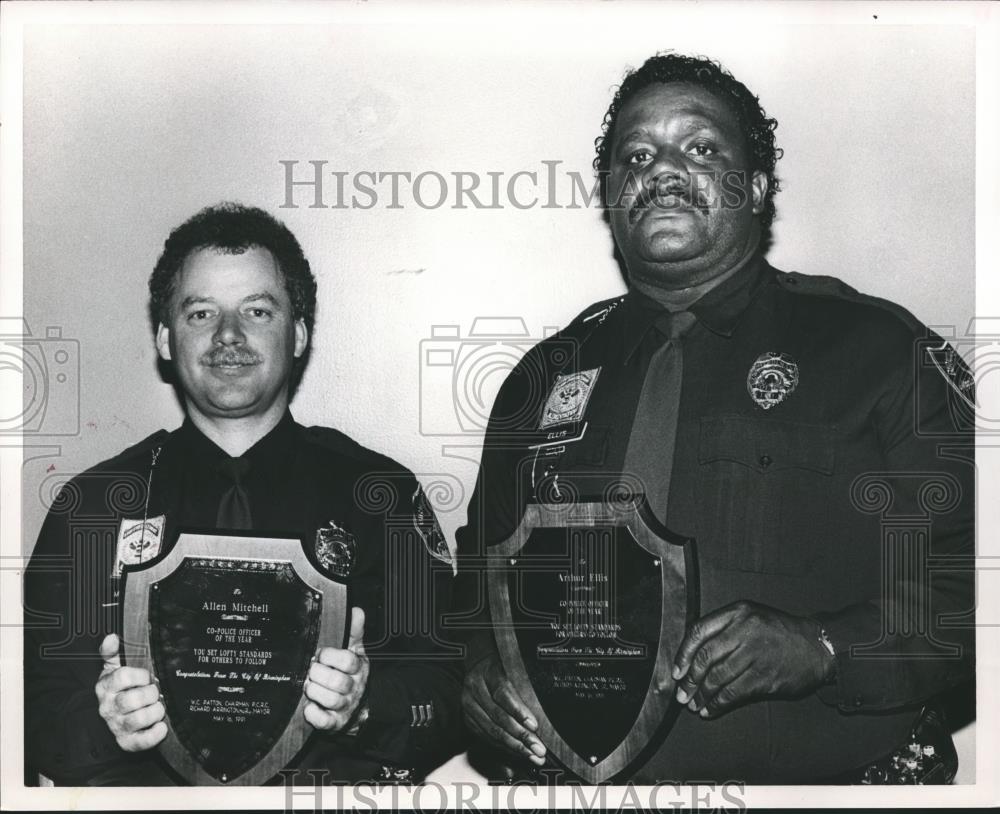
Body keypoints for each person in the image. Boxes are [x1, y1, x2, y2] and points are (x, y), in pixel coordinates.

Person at [456, 53, 975, 784]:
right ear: (609, 194)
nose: (663, 170)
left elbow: (972, 584)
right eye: (635, 155)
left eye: (700, 148)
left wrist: (827, 647)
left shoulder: (880, 352)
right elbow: (479, 571)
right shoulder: (540, 379)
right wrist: (479, 665)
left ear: (758, 186)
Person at [23, 203, 462, 786]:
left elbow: (456, 693)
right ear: (164, 337)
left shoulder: (379, 496)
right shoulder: (93, 507)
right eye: (201, 311)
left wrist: (365, 703)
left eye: (258, 310)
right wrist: (103, 723)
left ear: (299, 332)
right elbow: (26, 708)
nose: (229, 335)